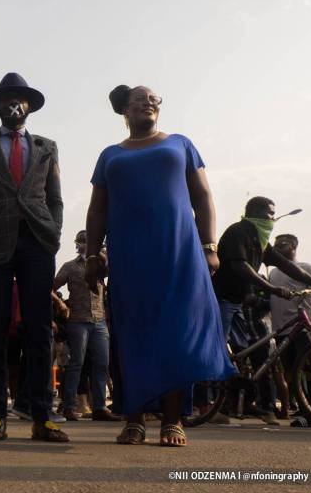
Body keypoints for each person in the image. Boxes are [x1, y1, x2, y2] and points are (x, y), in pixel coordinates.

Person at [85, 85, 236, 447]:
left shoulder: (180, 144)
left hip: (179, 251)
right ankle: (134, 418)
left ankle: (173, 419)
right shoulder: (109, 155)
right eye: (139, 99)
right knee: (132, 332)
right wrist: (92, 254)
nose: (148, 103)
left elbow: (202, 196)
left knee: (177, 332)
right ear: (125, 110)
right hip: (129, 254)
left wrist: (209, 245)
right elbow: (98, 210)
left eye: (153, 99)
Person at [0, 73, 68, 442]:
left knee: (39, 331)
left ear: (29, 105)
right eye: (6, 99)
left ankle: (43, 416)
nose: (13, 104)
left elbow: (55, 197)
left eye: (19, 99)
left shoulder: (47, 146)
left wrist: (53, 235)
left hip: (38, 242)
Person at [214, 198, 311, 349]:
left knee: (241, 349)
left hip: (237, 301)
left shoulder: (261, 242)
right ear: (256, 212)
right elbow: (240, 265)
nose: (273, 218)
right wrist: (273, 289)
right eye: (271, 213)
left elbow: (287, 266)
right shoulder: (238, 231)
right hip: (222, 299)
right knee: (217, 345)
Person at [53, 231, 121, 422]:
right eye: (82, 242)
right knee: (77, 364)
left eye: (87, 241)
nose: (84, 245)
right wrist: (60, 303)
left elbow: (108, 269)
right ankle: (68, 407)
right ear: (77, 244)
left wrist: (96, 250)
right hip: (78, 320)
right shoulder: (69, 267)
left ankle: (99, 407)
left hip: (98, 320)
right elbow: (52, 286)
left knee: (101, 364)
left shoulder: (100, 263)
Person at [268, 234, 311, 414]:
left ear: (293, 247)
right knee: (290, 372)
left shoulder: (306, 268)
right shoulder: (273, 272)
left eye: (282, 244)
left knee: (309, 368)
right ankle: (302, 408)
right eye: (275, 245)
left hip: (303, 328)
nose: (277, 247)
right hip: (281, 329)